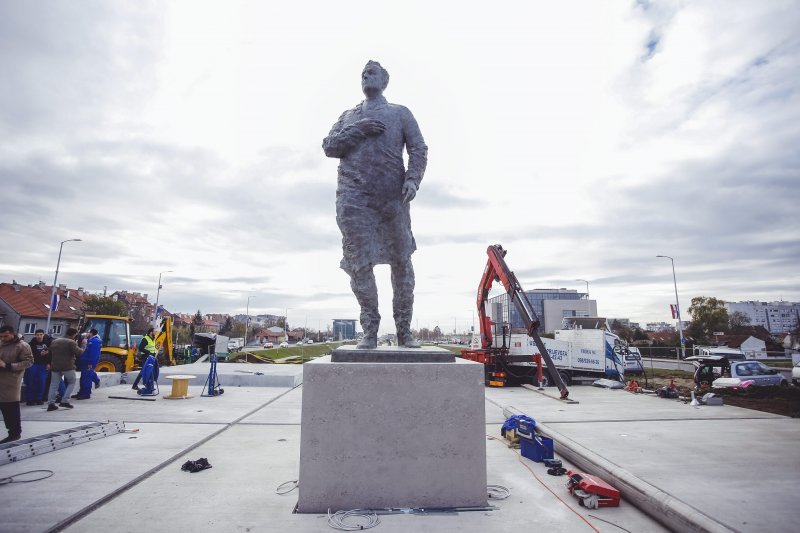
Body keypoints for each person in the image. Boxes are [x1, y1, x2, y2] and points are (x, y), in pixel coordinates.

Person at [322, 60, 428, 349]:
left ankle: (404, 330)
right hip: (354, 200)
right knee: (359, 264)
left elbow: (418, 148)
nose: (367, 76)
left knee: (402, 261)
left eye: (372, 73)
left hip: (392, 198)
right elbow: (329, 146)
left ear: (385, 81)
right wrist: (358, 129)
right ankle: (370, 329)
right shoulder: (348, 116)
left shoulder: (399, 113)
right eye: (363, 74)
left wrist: (413, 180)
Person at [0, 325, 33, 443]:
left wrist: (8, 366)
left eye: (6, 336)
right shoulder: (1, 343)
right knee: (4, 408)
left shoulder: (22, 346)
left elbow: (29, 362)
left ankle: (14, 433)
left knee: (10, 407)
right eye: (1, 336)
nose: (3, 338)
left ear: (13, 334)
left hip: (11, 381)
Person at [47, 328, 82, 411]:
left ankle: (51, 404)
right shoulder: (71, 342)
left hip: (55, 366)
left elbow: (49, 354)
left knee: (53, 385)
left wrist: (49, 363)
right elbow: (79, 353)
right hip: (68, 366)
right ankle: (65, 400)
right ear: (74, 334)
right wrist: (83, 346)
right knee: (72, 382)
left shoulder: (55, 341)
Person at [24, 329, 50, 406]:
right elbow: (28, 355)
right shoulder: (31, 344)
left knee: (41, 382)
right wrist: (40, 354)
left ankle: (39, 398)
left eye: (40, 334)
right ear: (35, 335)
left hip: (43, 365)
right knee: (30, 382)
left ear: (43, 335)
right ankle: (29, 399)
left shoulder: (48, 343)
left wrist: (49, 363)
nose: (39, 336)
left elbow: (51, 353)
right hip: (32, 365)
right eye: (37, 335)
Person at [73, 328, 101, 400]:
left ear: (91, 333)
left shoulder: (95, 341)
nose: (87, 334)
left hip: (89, 362)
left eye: (88, 332)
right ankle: (82, 392)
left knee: (86, 378)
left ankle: (86, 394)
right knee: (83, 377)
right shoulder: (90, 340)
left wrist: (90, 362)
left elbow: (94, 353)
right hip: (85, 361)